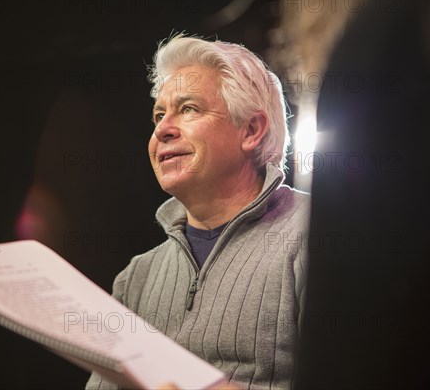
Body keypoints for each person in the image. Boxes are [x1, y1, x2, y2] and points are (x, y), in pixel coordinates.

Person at [86, 35, 310, 390]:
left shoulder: (315, 234)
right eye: (159, 115)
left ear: (251, 130)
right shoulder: (135, 280)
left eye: (188, 109)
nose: (162, 129)